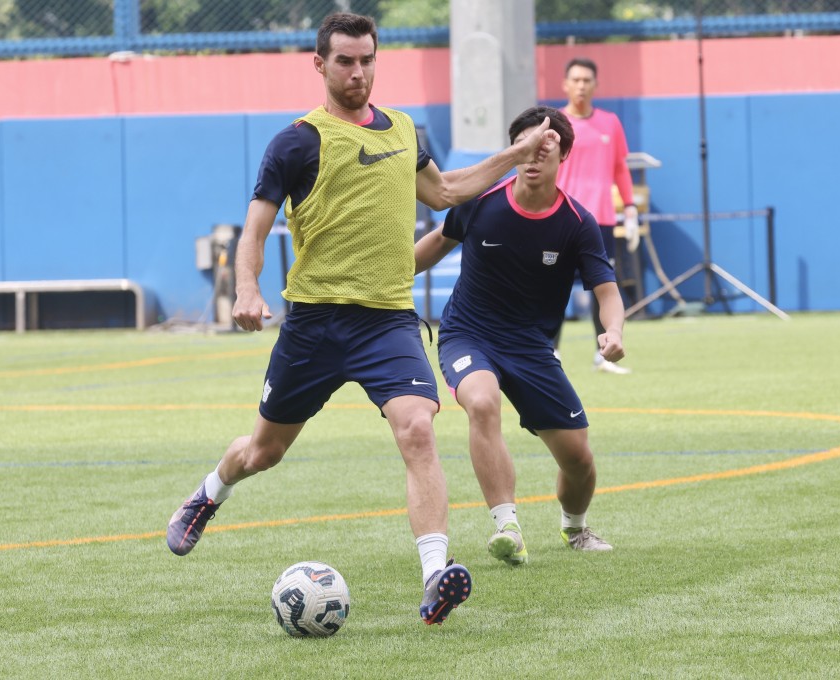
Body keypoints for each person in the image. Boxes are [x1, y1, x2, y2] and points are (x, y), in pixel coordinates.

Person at [165, 12, 560, 626]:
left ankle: (436, 578)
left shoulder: (403, 130)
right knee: (264, 451)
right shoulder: (296, 141)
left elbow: (449, 191)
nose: (358, 72)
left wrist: (515, 153)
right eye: (345, 61)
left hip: (387, 323)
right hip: (314, 325)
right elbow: (257, 228)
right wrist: (247, 287)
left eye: (367, 59)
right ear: (320, 64)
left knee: (419, 431)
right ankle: (210, 492)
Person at [414, 105, 626, 566]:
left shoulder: (577, 224)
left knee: (578, 458)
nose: (533, 157)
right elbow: (433, 245)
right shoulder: (481, 202)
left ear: (563, 154)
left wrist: (612, 331)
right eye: (524, 147)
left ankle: (575, 527)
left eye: (544, 147)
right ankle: (507, 525)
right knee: (482, 401)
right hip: (468, 333)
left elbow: (607, 291)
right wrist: (379, 277)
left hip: (531, 347)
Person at [554, 57, 639, 375]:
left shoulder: (610, 122)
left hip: (600, 219)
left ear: (595, 85)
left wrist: (629, 207)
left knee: (603, 287)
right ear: (565, 84)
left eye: (586, 80)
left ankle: (603, 354)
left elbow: (620, 168)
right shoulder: (555, 122)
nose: (580, 85)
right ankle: (551, 352)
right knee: (553, 288)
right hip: (562, 217)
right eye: (575, 79)